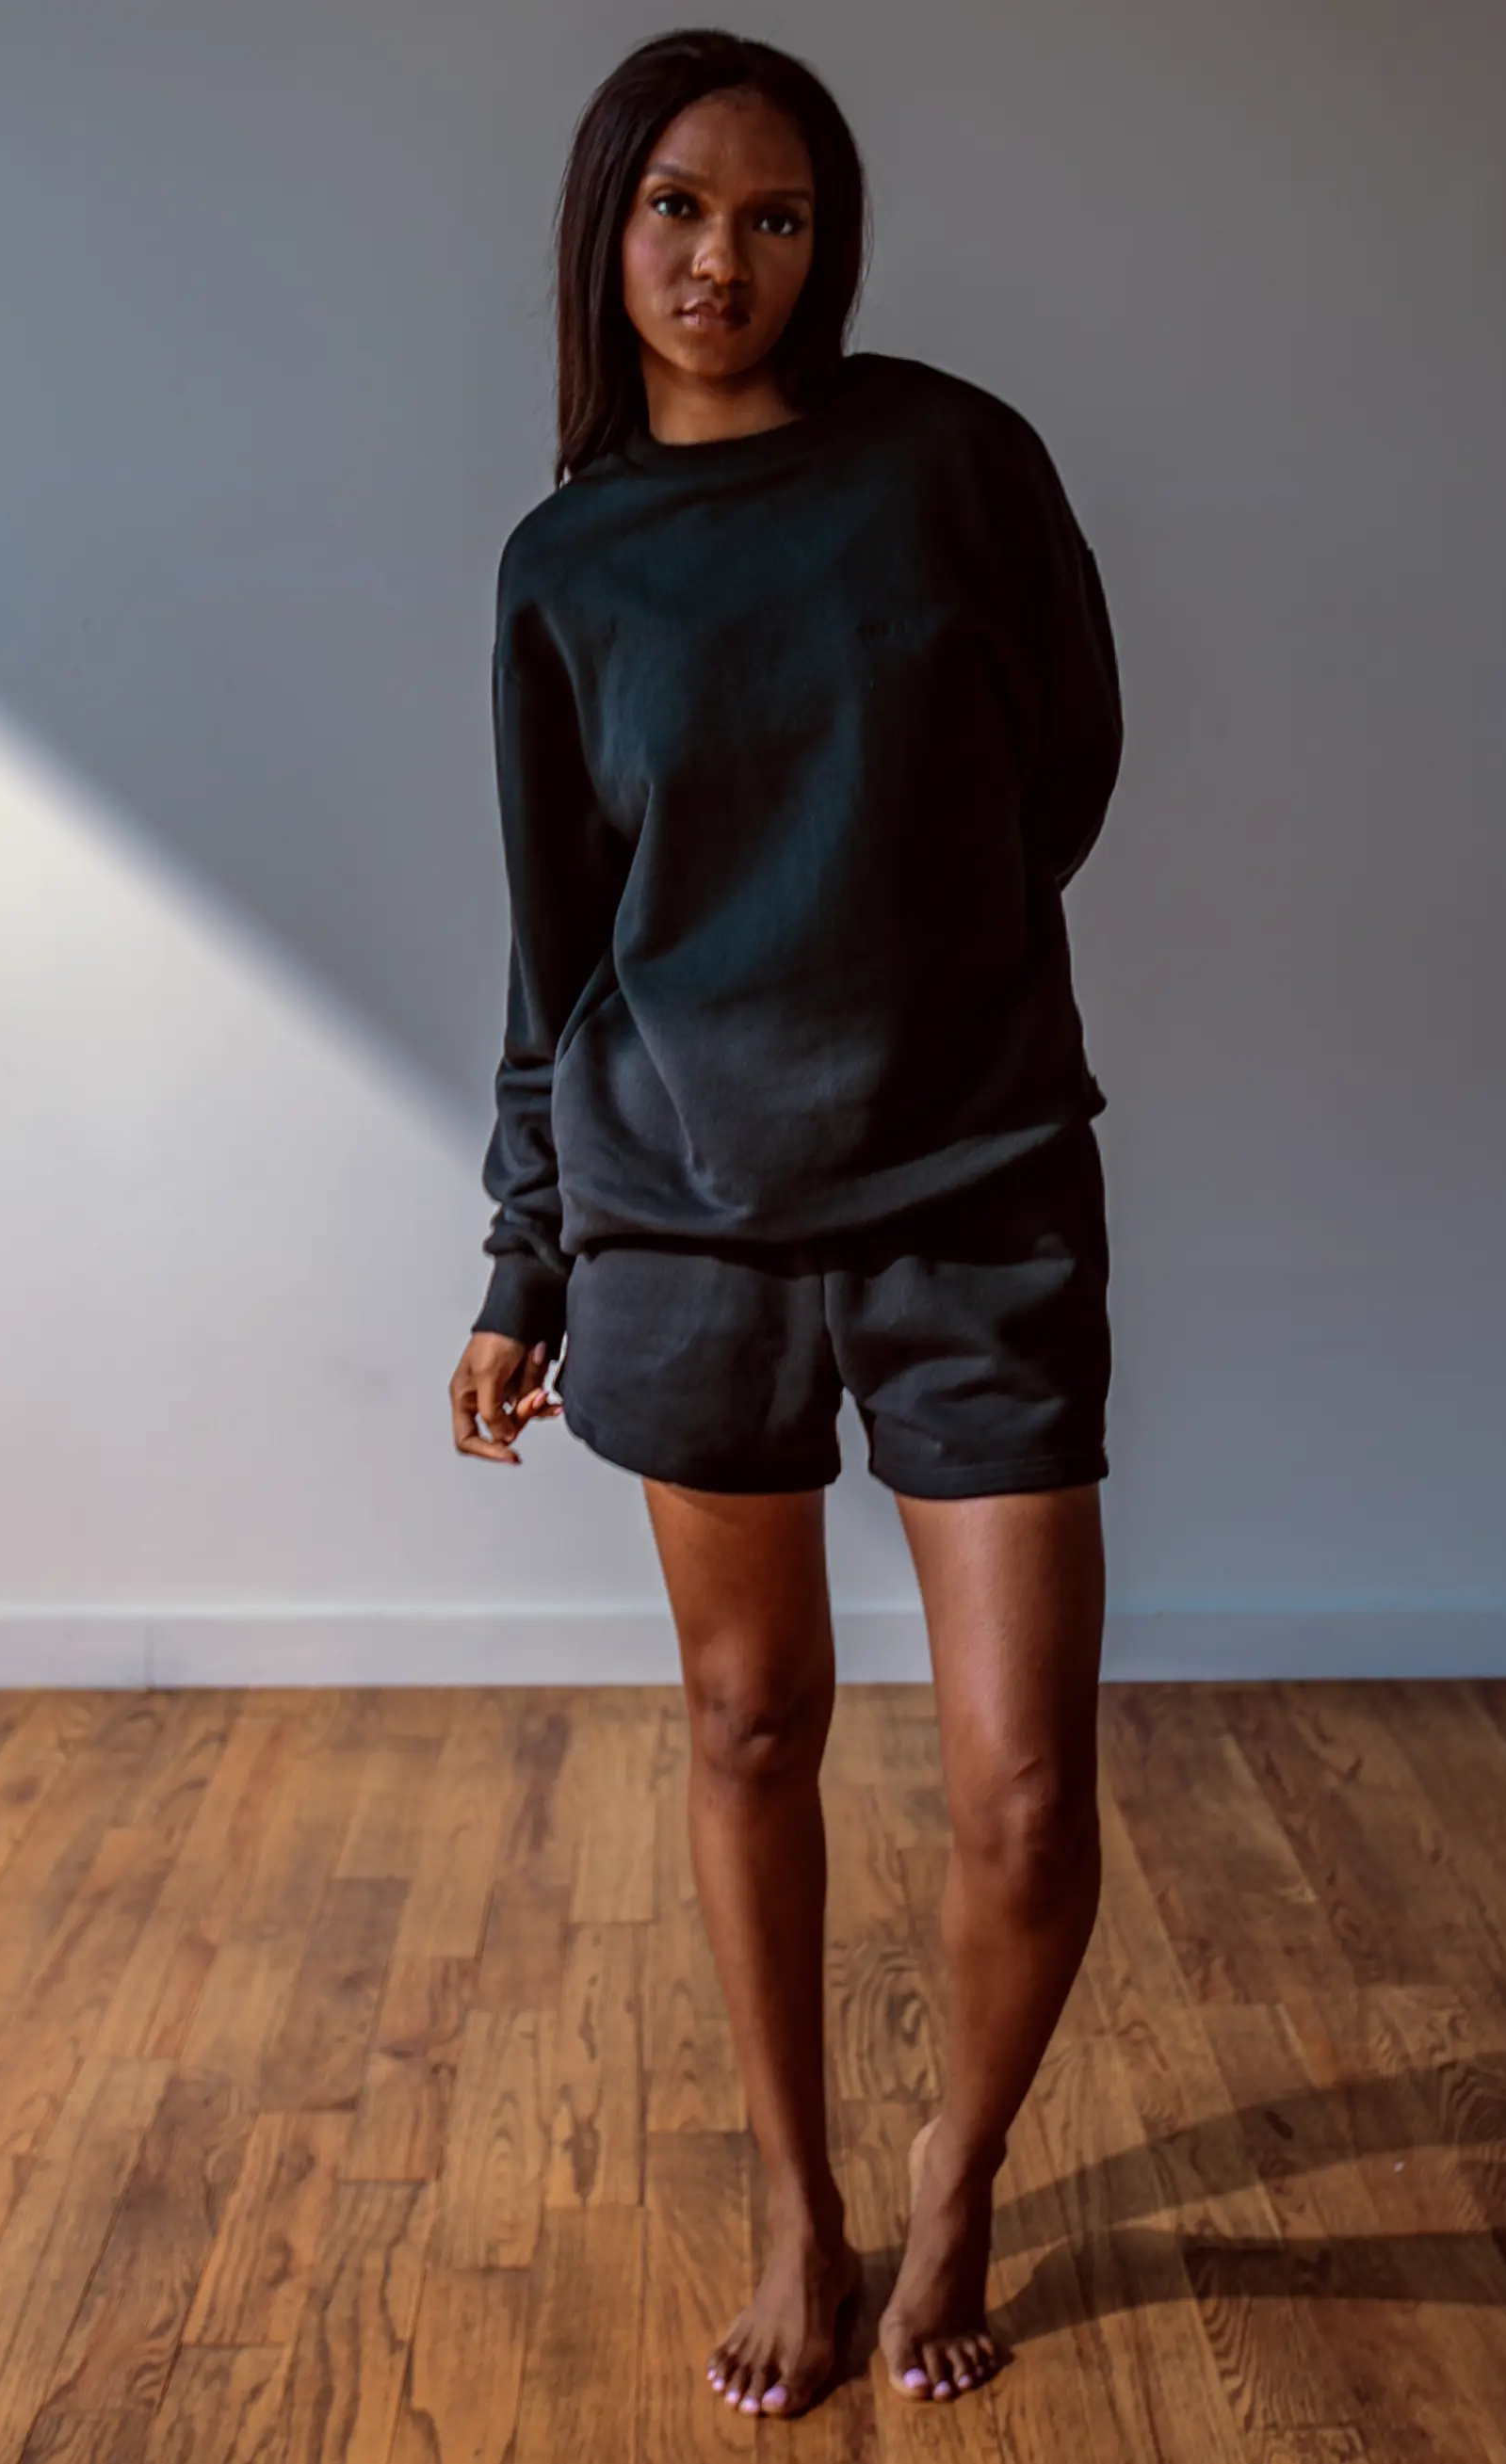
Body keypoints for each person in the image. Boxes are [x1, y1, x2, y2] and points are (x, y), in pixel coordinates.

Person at [447, 25, 1124, 2423]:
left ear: (831, 244)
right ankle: (798, 2205)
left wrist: (904, 981)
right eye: (676, 209)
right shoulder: (566, 568)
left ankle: (953, 2180)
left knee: (1031, 1787)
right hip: (686, 1222)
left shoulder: (953, 466)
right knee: (751, 1727)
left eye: (777, 216)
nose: (721, 256)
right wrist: (527, 1259)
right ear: (604, 231)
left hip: (977, 1197)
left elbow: (1064, 771)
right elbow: (562, 939)